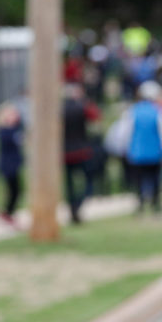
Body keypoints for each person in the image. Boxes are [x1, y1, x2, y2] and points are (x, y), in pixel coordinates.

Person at [114, 80, 162, 213]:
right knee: (156, 179)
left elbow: (124, 132)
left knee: (139, 180)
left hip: (137, 153)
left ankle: (141, 203)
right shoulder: (159, 112)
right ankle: (156, 204)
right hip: (155, 153)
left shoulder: (133, 111)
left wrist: (122, 148)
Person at [62, 83, 100, 224]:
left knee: (70, 184)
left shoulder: (61, 109)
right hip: (82, 151)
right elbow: (95, 118)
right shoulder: (83, 106)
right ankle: (78, 204)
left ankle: (73, 207)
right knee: (89, 181)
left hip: (65, 152)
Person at [0, 102, 25, 226]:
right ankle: (7, 212)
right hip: (8, 165)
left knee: (16, 190)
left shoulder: (14, 129)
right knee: (14, 190)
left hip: (14, 164)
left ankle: (9, 212)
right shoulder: (4, 131)